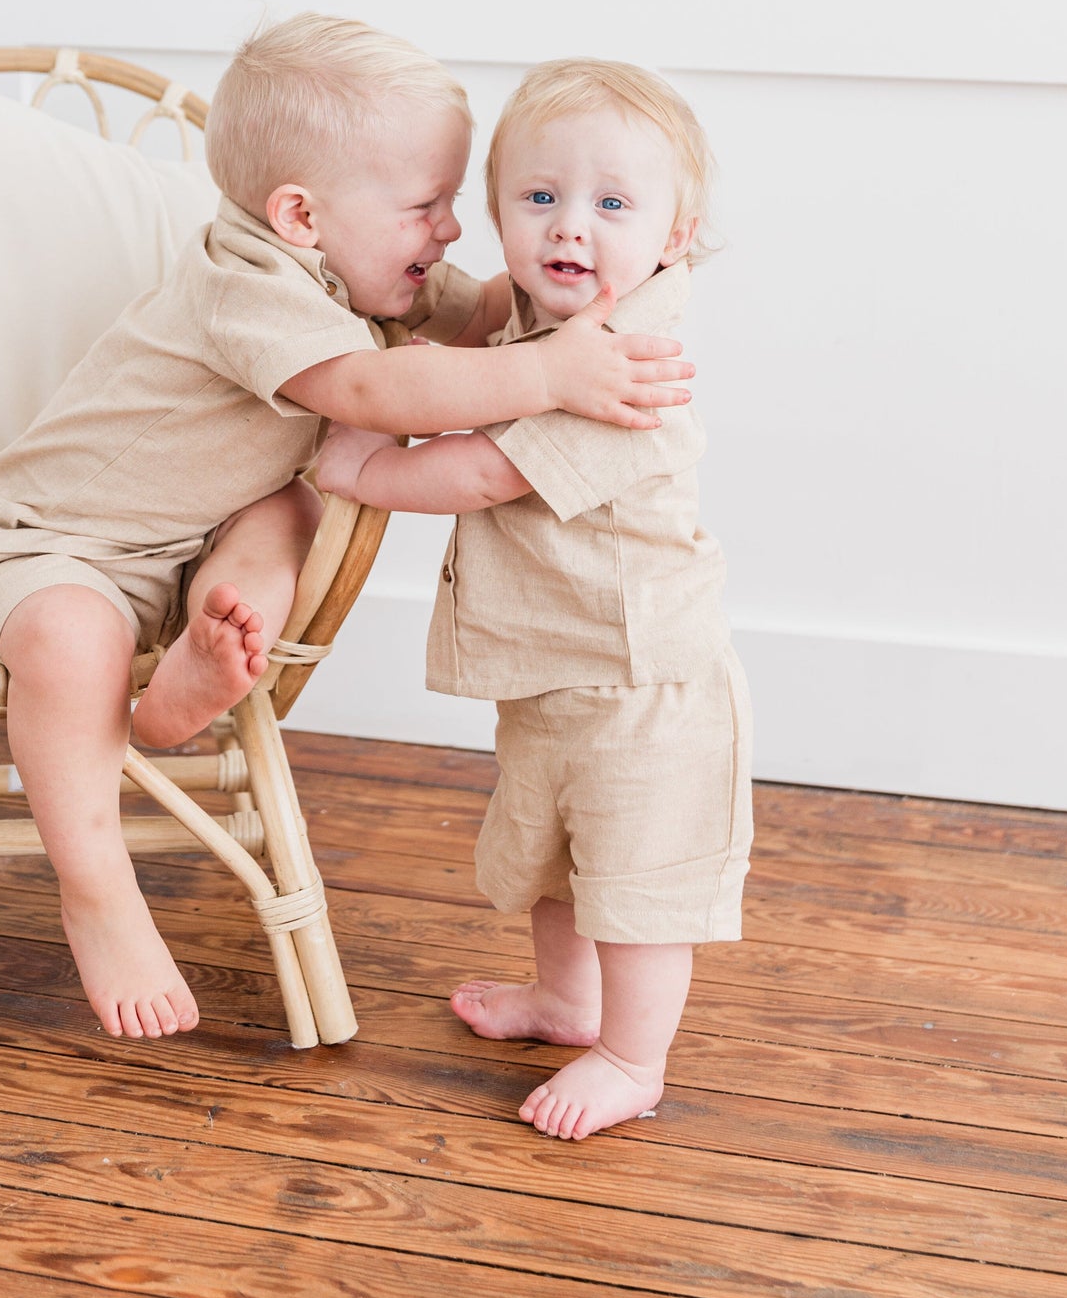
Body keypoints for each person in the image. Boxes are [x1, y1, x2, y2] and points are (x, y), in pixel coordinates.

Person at [0, 17, 695, 1044]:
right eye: (425, 207)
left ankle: (185, 687)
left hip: (188, 546)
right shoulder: (241, 280)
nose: (446, 232)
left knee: (283, 507)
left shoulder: (358, 263)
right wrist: (547, 373)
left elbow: (475, 314)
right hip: (53, 542)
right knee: (73, 635)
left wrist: (584, 285)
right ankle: (98, 890)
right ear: (298, 215)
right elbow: (369, 385)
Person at [315, 58, 752, 1140]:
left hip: (643, 683)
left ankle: (631, 1055)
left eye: (610, 204)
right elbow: (466, 309)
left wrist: (361, 466)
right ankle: (567, 1002)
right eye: (538, 196)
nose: (570, 226)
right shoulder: (538, 309)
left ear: (674, 230)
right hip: (556, 673)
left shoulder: (624, 364)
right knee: (552, 856)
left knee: (635, 881)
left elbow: (483, 470)